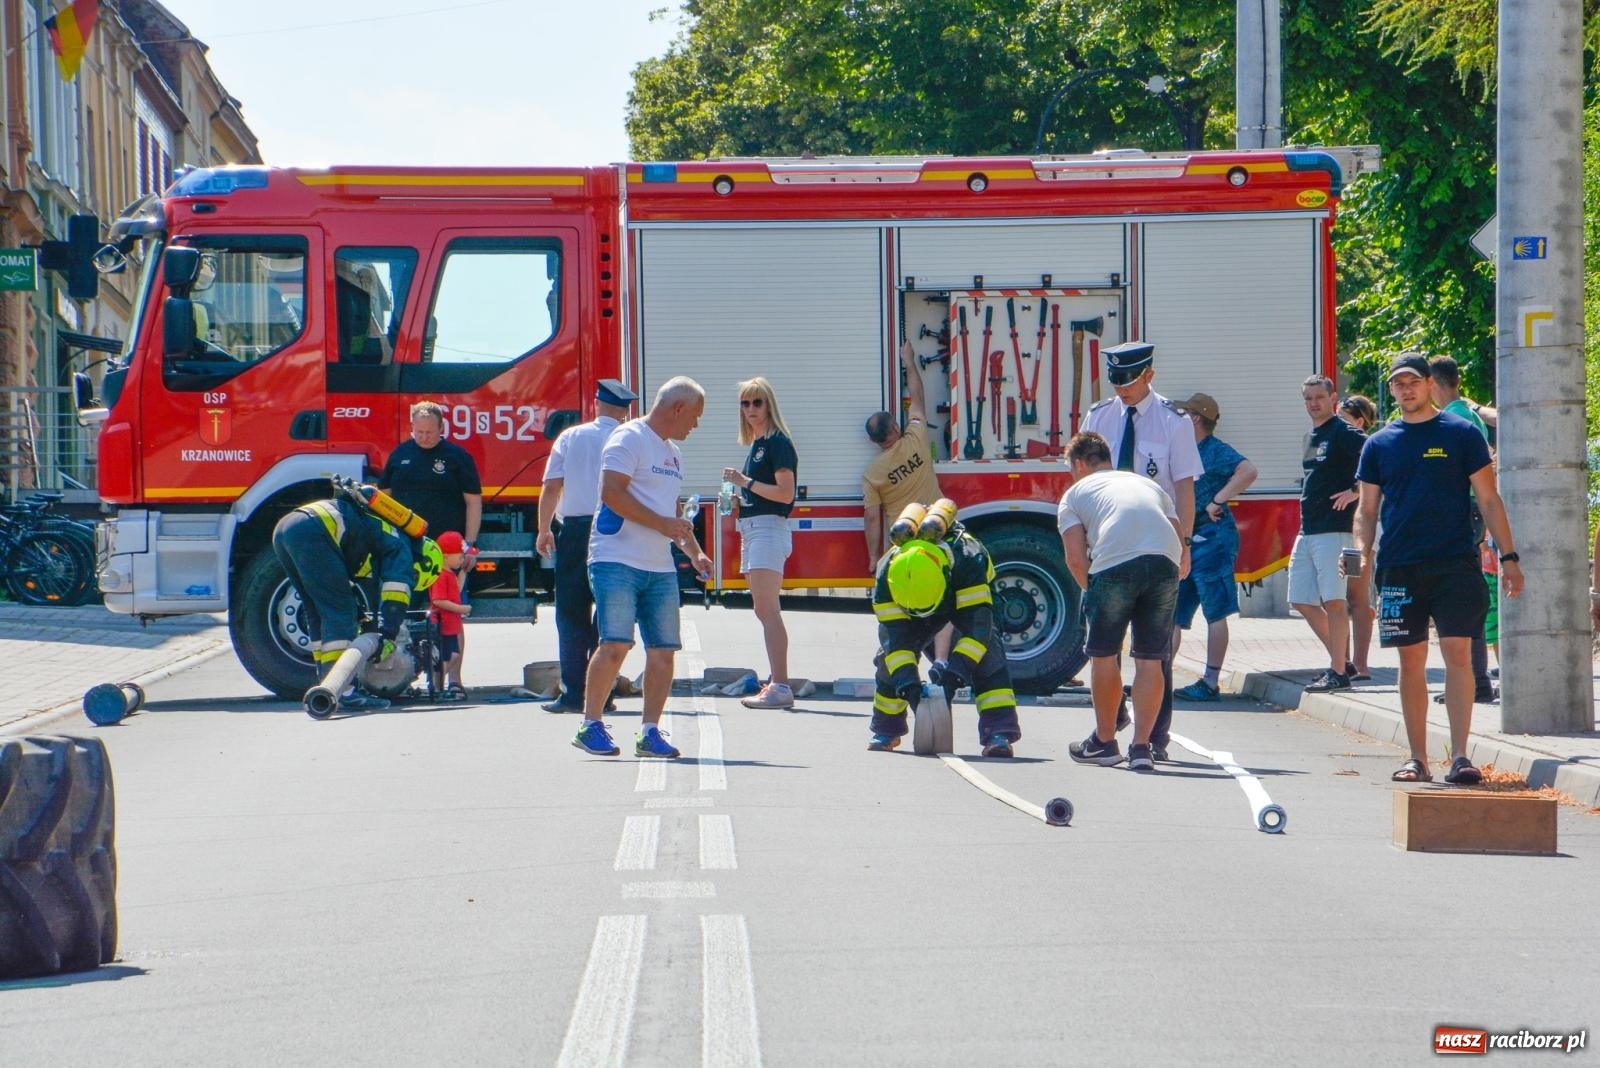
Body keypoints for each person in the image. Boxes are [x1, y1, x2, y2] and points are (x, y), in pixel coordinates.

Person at [1355, 352, 1523, 785]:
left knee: (1458, 656)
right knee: (1411, 662)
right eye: (1398, 384)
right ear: (1391, 390)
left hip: (1454, 563)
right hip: (1399, 565)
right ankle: (1417, 758)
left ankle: (1461, 756)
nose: (1406, 389)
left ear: (1430, 383)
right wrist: (1362, 551)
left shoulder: (1462, 433)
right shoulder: (1378, 444)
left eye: (1413, 381)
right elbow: (1366, 509)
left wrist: (1508, 557)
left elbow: (1489, 499)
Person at [573, 376, 714, 760]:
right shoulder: (628, 438)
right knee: (615, 643)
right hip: (615, 558)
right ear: (678, 409)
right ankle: (590, 725)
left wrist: (694, 550)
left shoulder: (673, 453)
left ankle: (649, 732)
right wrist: (664, 526)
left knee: (664, 651)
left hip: (659, 565)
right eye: (695, 417)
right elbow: (611, 494)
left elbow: (670, 512)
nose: (695, 425)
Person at [1079, 340, 1202, 761]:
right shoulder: (1099, 416)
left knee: (1154, 649)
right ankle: (1110, 725)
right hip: (1111, 543)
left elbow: (1184, 487)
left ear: (1149, 375)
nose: (1121, 389)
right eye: (1115, 380)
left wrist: (1183, 543)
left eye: (1129, 381)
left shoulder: (1174, 421)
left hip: (1156, 540)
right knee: (1105, 645)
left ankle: (1154, 738)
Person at [1057, 432, 1183, 772]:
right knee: (1150, 659)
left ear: (1080, 464)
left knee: (1103, 655)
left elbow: (1074, 559)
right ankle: (1142, 747)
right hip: (1165, 561)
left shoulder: (1074, 494)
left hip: (1114, 562)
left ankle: (1104, 741)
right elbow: (1179, 544)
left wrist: (1093, 594)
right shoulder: (1147, 485)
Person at [271, 485, 443, 711]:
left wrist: (362, 616)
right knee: (339, 614)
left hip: (287, 527)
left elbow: (343, 585)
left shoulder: (381, 529)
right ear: (422, 563)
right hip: (315, 529)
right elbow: (396, 590)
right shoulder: (402, 546)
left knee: (316, 609)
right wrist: (388, 635)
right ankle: (346, 692)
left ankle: (327, 680)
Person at [867, 519, 1020, 757]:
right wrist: (909, 688)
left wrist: (953, 678)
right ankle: (886, 730)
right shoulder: (888, 574)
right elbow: (896, 644)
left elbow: (976, 633)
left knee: (989, 649)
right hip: (913, 605)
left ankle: (998, 733)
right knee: (889, 659)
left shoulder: (968, 560)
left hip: (960, 599)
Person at [536, 379, 638, 713]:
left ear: (596, 403)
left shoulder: (571, 436)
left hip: (578, 530)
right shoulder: (633, 438)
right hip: (619, 528)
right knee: (608, 617)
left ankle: (572, 694)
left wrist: (543, 530)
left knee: (571, 613)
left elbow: (552, 487)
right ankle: (603, 695)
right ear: (625, 410)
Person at [380, 400, 483, 676]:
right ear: (412, 428)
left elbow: (473, 501)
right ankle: (409, 675)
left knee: (450, 618)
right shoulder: (400, 455)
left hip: (447, 553)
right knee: (407, 614)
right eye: (419, 432)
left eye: (430, 432)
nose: (424, 437)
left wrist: (469, 545)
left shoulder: (456, 457)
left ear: (442, 428)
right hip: (405, 550)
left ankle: (454, 680)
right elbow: (383, 500)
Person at [1170, 393, 1257, 700]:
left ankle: (1209, 682)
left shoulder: (1215, 450)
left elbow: (1248, 471)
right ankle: (1158, 676)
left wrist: (1217, 501)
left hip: (1212, 539)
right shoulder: (1185, 450)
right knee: (1173, 613)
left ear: (1195, 419)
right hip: (1190, 540)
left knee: (1214, 613)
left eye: (1182, 414)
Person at [722, 376, 800, 709]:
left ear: (769, 404)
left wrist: (745, 482)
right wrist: (740, 499)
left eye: (757, 402)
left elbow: (786, 493)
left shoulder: (778, 442)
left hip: (769, 528)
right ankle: (776, 682)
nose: (751, 409)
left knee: (768, 609)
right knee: (762, 608)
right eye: (745, 403)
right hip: (754, 526)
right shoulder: (757, 443)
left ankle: (780, 686)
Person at [1288, 375, 1367, 693]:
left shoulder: (1346, 433)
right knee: (1300, 600)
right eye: (1307, 398)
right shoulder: (1310, 436)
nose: (1313, 404)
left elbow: (1378, 462)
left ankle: (1337, 672)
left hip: (1336, 530)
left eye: (1319, 397)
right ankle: (1341, 660)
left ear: (1333, 398)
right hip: (1308, 529)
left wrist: (1355, 491)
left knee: (1334, 600)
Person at [1428, 354, 1498, 704]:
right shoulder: (1467, 414)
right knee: (1466, 596)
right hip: (1472, 513)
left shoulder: (1450, 419)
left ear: (1433, 383)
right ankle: (1476, 681)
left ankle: (1474, 683)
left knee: (1456, 599)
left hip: (1460, 512)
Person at [862, 341, 942, 565]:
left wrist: (873, 558)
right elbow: (918, 398)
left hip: (903, 544)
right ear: (897, 428)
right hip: (936, 530)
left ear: (872, 440)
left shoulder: (871, 474)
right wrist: (909, 362)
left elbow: (871, 518)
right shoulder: (916, 437)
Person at [1336, 393, 1380, 680]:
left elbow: (1375, 483)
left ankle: (1360, 664)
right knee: (1343, 597)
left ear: (1360, 421)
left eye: (1343, 419)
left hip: (1361, 534)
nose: (1337, 424)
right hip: (1342, 530)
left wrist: (1353, 491)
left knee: (1356, 596)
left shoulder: (1369, 447)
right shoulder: (1343, 446)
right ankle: (1345, 661)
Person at [428, 530, 472, 699]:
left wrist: (464, 572)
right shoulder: (440, 575)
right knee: (448, 656)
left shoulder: (449, 574)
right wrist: (460, 609)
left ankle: (438, 686)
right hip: (444, 625)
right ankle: (436, 685)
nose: (462, 559)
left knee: (452, 655)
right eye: (460, 556)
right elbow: (438, 600)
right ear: (445, 557)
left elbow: (456, 591)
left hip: (451, 625)